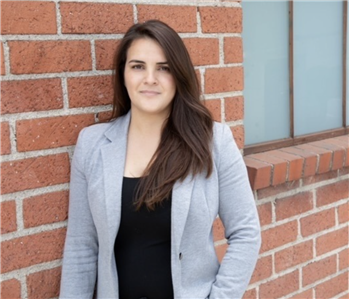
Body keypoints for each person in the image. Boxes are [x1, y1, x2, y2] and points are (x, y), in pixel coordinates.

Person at [59, 20, 261, 299]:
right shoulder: (92, 145)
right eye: (138, 66)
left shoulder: (213, 141)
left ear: (178, 75)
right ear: (123, 74)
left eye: (163, 68)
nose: (150, 79)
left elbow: (246, 233)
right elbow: (81, 248)